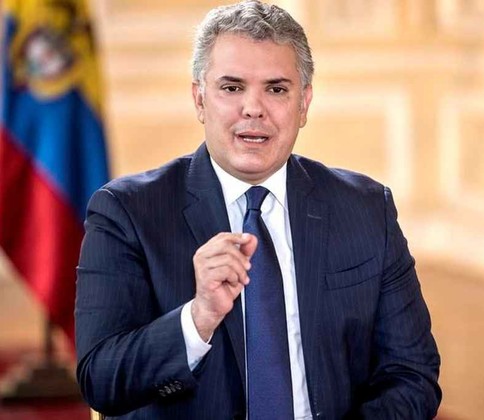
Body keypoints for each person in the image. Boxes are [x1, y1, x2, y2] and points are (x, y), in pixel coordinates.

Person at [75, 1, 441, 418]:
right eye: (232, 88)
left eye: (276, 89)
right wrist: (198, 318)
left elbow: (412, 374)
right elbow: (101, 380)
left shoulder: (366, 209)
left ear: (304, 104)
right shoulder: (126, 213)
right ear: (199, 99)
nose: (253, 108)